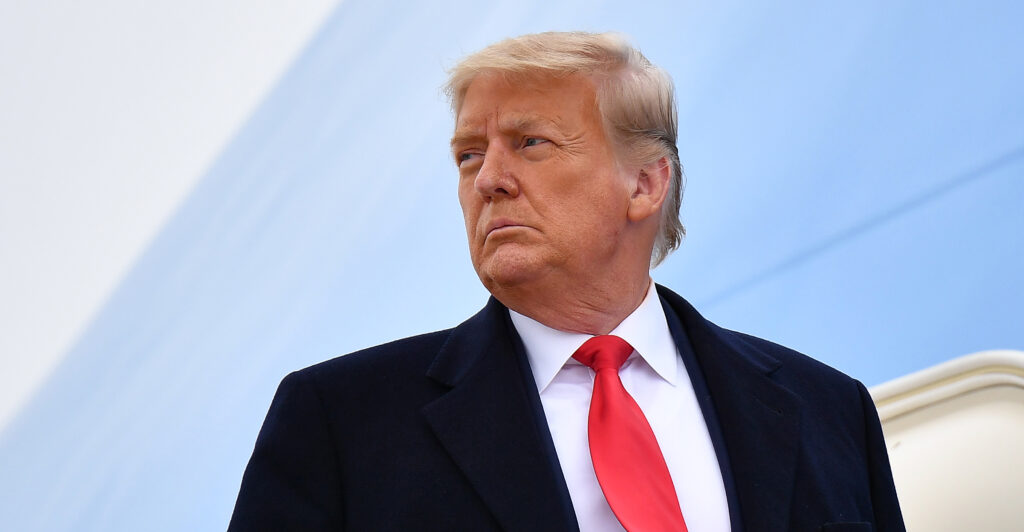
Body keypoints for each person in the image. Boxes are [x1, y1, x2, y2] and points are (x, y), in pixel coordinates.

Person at [229, 32, 905, 532]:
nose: (488, 179)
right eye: (469, 155)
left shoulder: (829, 411)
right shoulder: (339, 424)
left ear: (644, 183)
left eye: (530, 144)